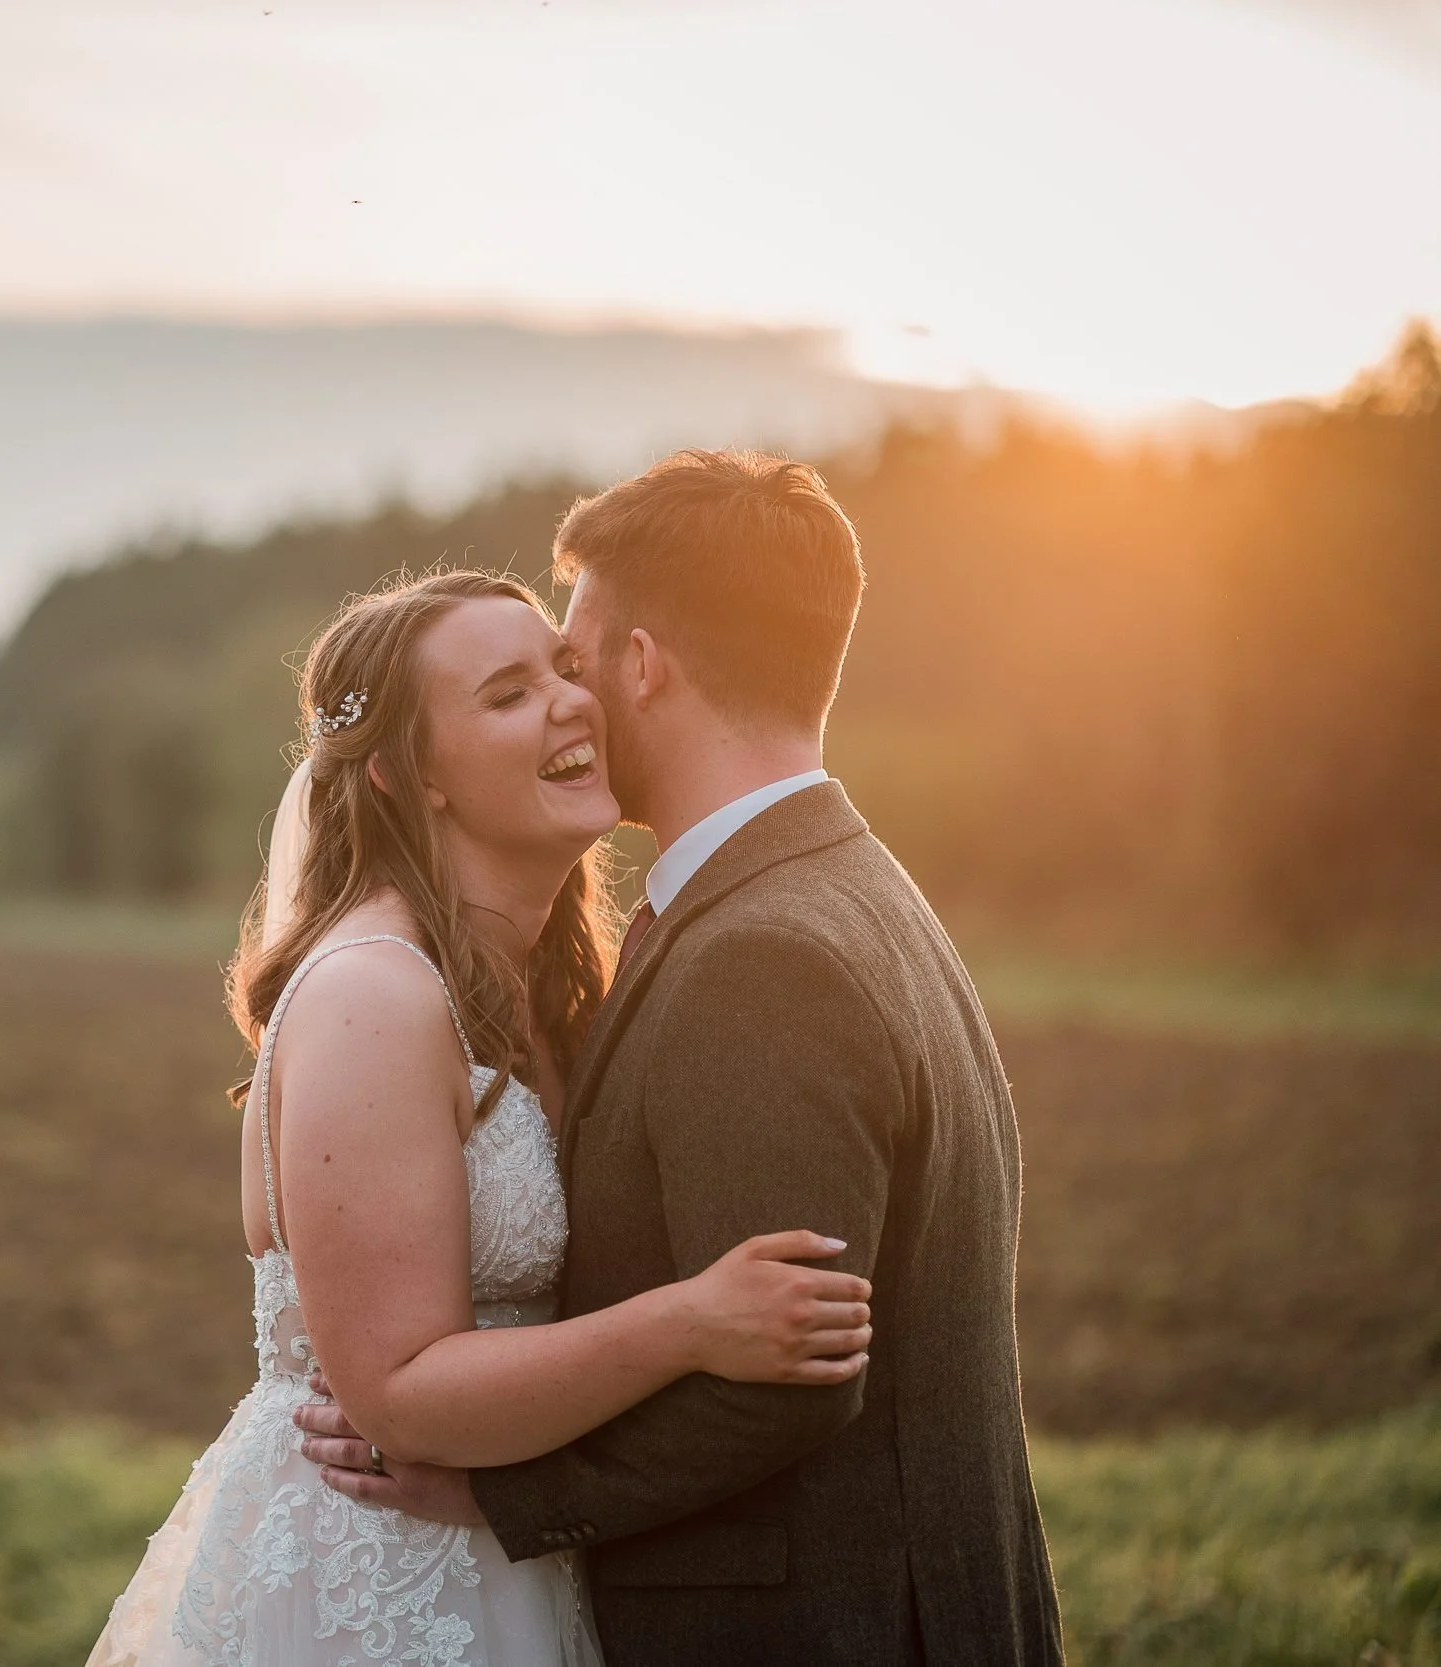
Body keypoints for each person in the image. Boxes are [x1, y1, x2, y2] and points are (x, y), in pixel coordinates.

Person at [296, 452, 1065, 1663]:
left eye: (575, 655)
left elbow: (789, 1369)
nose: (572, 696)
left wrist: (506, 1500)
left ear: (641, 665)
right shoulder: (839, 883)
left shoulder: (763, 954)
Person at [88, 569, 875, 1667]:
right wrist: (694, 1320)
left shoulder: (556, 986)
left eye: (562, 666)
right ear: (413, 776)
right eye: (507, 694)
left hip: (515, 1556)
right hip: (375, 1577)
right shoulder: (375, 992)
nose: (570, 702)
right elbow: (400, 1392)